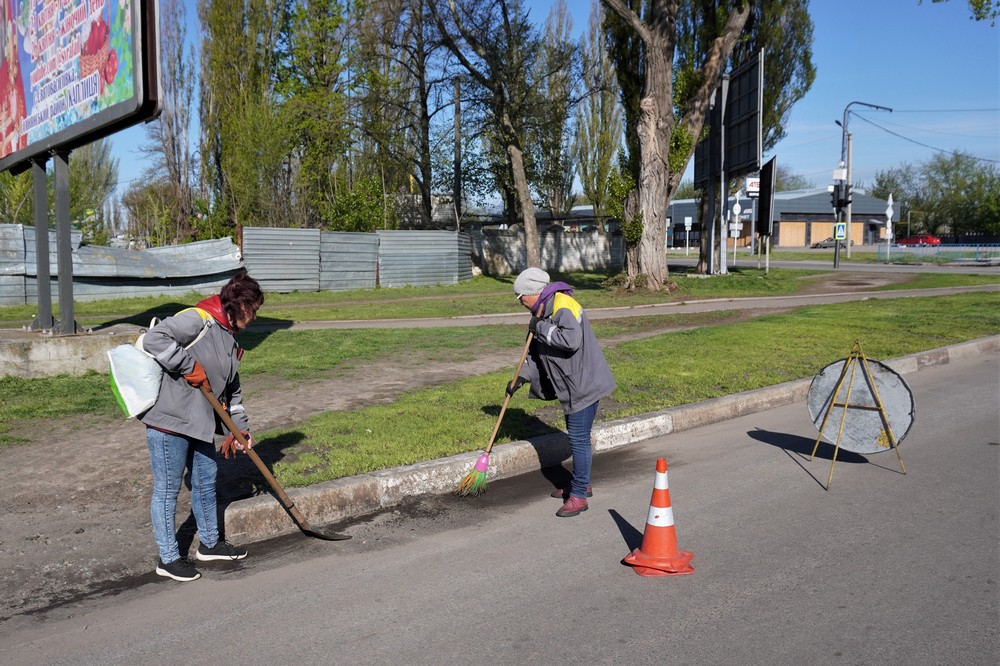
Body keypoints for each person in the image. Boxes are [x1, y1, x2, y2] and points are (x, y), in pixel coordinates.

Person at [140, 270, 265, 581]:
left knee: (206, 481)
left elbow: (232, 392)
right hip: (170, 420)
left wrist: (241, 429)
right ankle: (168, 559)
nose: (256, 316)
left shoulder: (229, 337)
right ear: (241, 305)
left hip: (200, 424)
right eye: (255, 309)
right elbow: (154, 339)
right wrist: (188, 365)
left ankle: (209, 544)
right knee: (168, 490)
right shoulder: (199, 319)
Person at [508, 267, 616, 517]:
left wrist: (542, 328)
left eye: (520, 297)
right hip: (571, 384)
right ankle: (581, 483)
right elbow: (534, 352)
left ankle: (579, 495)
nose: (520, 302)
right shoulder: (542, 310)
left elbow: (570, 340)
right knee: (578, 437)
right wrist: (520, 378)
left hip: (583, 383)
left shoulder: (562, 306)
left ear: (532, 293)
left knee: (578, 439)